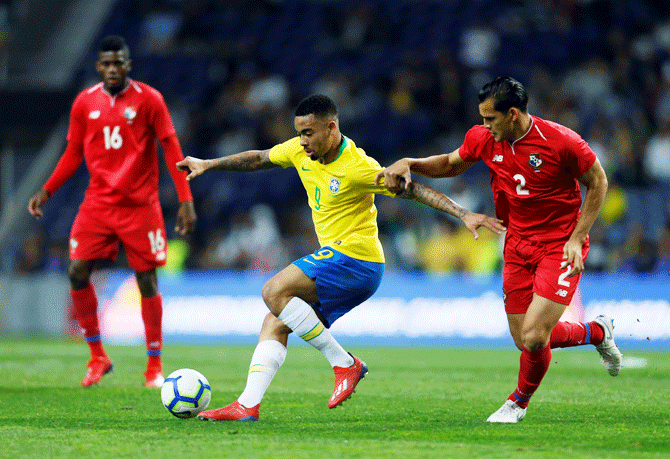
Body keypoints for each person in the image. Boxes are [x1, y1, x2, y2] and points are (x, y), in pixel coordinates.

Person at [176, 94, 505, 421]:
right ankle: (247, 405)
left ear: (331, 127)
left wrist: (462, 213)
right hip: (338, 260)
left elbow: (412, 190)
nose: (302, 141)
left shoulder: (358, 167)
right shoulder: (297, 150)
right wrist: (208, 164)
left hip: (358, 259)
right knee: (275, 322)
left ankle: (345, 363)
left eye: (308, 133)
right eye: (299, 133)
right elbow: (258, 158)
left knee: (273, 291)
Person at [376, 76, 622, 423]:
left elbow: (598, 182)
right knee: (525, 340)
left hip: (560, 245)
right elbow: (450, 164)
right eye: (482, 118)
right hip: (517, 243)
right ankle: (598, 331)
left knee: (537, 336)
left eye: (490, 119)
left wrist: (575, 239)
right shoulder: (484, 138)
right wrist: (411, 163)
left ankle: (517, 403)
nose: (484, 126)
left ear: (513, 114)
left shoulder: (562, 142)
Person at [27, 35, 197, 388]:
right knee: (76, 271)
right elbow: (73, 153)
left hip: (140, 205)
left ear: (128, 65)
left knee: (147, 279)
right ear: (98, 66)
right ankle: (97, 356)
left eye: (118, 62)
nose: (112, 69)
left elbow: (171, 149)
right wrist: (47, 190)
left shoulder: (150, 99)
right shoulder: (84, 103)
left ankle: (154, 366)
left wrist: (185, 200)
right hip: (98, 204)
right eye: (106, 63)